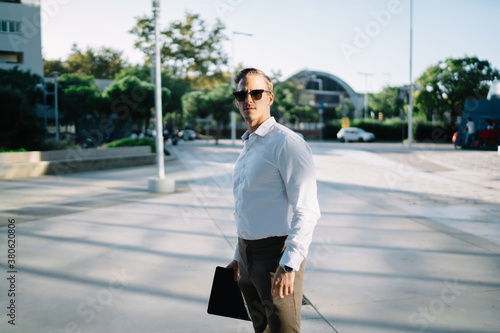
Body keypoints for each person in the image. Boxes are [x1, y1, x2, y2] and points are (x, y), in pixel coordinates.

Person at [226, 68, 321, 333]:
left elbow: (307, 210)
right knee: (262, 329)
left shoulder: (287, 143)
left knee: (283, 329)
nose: (248, 100)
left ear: (270, 98)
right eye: (241, 94)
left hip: (276, 256)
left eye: (256, 93)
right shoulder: (249, 145)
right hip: (247, 255)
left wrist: (289, 263)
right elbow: (250, 206)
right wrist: (238, 255)